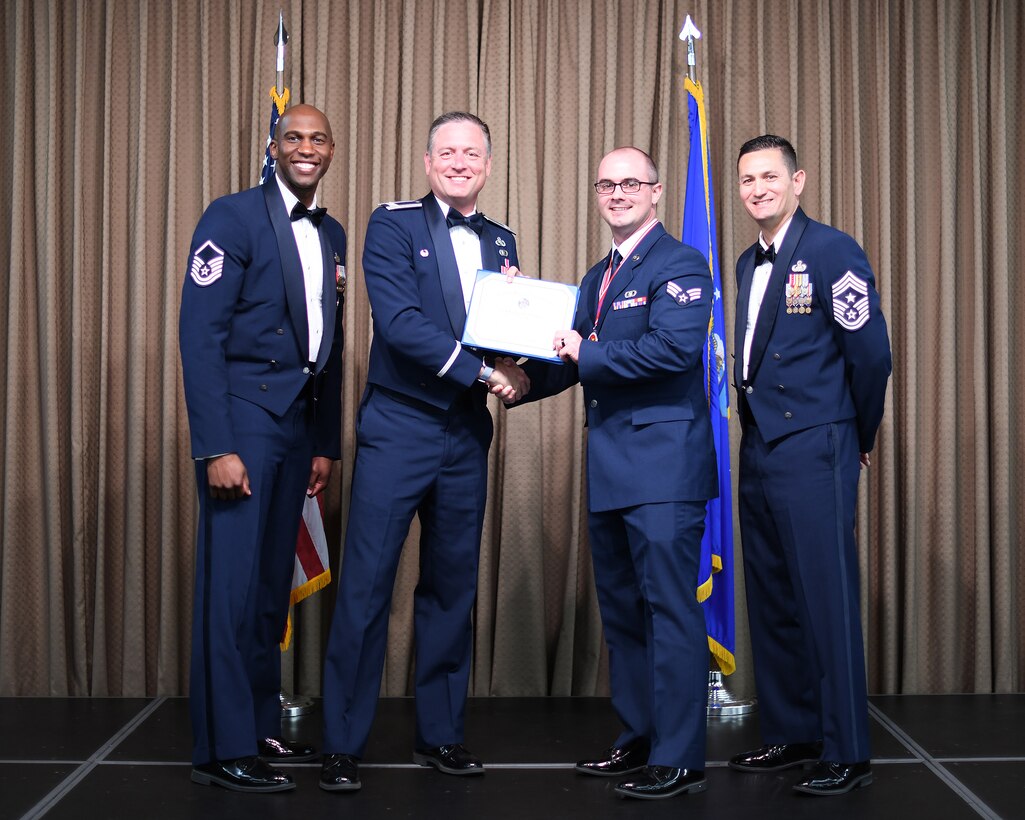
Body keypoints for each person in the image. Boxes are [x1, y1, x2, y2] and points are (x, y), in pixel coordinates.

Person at [319, 111, 529, 793]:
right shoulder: (392, 223)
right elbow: (402, 324)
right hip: (399, 427)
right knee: (365, 585)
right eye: (448, 151)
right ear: (427, 159)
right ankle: (342, 742)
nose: (460, 162)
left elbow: (505, 332)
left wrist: (522, 350)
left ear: (489, 165)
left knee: (450, 590)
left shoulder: (501, 241)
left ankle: (440, 734)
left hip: (465, 436)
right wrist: (482, 371)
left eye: (472, 153)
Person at [515, 147, 716, 801]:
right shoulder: (596, 275)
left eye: (630, 182)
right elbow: (568, 359)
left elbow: (673, 349)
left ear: (655, 193)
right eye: (606, 183)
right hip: (610, 468)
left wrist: (587, 349)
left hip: (662, 471)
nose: (617, 192)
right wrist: (517, 378)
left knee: (668, 614)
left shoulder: (681, 263)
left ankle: (679, 755)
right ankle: (638, 739)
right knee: (625, 617)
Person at [180, 104, 346, 793]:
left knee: (267, 593)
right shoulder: (231, 216)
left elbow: (329, 351)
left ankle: (255, 725)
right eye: (293, 138)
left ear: (330, 150)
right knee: (231, 590)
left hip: (296, 430)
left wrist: (325, 443)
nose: (305, 148)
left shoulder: (331, 230)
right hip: (243, 426)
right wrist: (216, 445)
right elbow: (200, 337)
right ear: (272, 147)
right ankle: (222, 750)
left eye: (318, 139)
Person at [728, 134, 891, 796]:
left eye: (769, 176)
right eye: (745, 179)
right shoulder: (745, 260)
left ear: (798, 181)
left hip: (815, 442)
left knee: (825, 600)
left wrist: (857, 432)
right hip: (759, 446)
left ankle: (845, 748)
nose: (757, 188)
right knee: (771, 598)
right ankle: (791, 732)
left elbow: (869, 354)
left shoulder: (831, 250)